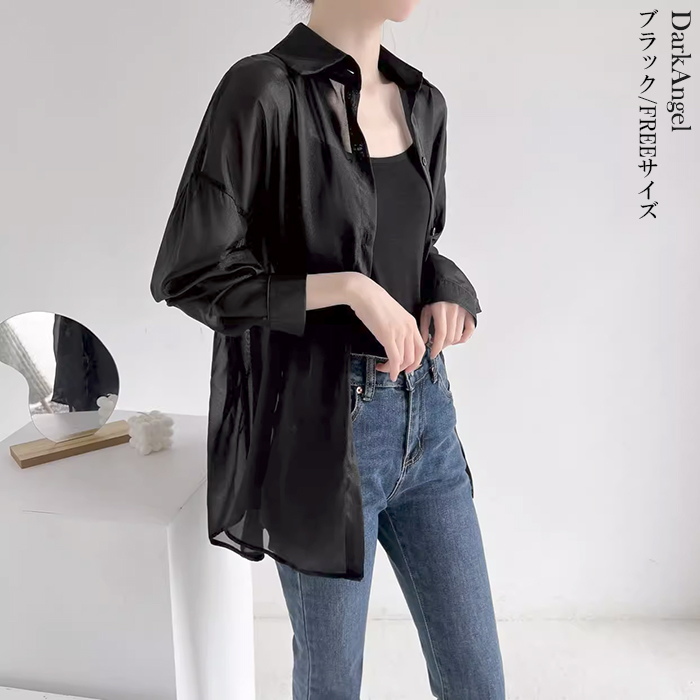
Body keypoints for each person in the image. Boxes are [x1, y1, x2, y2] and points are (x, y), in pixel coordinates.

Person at [150, 1, 505, 697]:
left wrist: (448, 288)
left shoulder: (423, 102)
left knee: (478, 682)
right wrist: (347, 289)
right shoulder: (262, 90)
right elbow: (192, 273)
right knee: (331, 684)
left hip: (429, 421)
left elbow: (416, 247)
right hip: (324, 431)